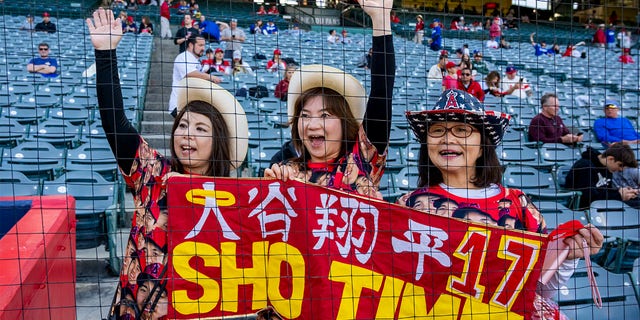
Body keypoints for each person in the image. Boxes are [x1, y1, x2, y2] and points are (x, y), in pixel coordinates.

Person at [86, 8, 248, 319]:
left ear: (218, 143)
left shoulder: (234, 196)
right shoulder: (152, 171)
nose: (187, 135)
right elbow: (115, 123)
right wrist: (106, 54)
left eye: (201, 129)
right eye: (183, 125)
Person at [404, 89, 604, 317]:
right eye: (438, 130)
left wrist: (568, 257)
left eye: (462, 130)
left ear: (483, 145)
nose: (448, 138)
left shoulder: (519, 204)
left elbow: (538, 290)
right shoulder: (408, 205)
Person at [264, 0, 395, 198]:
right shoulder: (285, 170)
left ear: (345, 123)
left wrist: (381, 18)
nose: (313, 124)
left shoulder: (361, 160)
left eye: (325, 115)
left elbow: (381, 91)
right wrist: (269, 188)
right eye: (305, 115)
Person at [566, 143, 640, 209]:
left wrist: (623, 192)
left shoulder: (607, 168)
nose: (620, 170)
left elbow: (606, 192)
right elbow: (588, 198)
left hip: (602, 206)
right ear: (610, 159)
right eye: (620, 165)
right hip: (587, 209)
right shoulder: (585, 166)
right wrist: (618, 195)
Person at [168, 36, 223, 113]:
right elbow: (189, 73)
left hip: (191, 104)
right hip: (180, 105)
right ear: (191, 45)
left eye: (204, 45)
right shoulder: (183, 57)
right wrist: (210, 77)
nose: (203, 48)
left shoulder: (196, 60)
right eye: (200, 45)